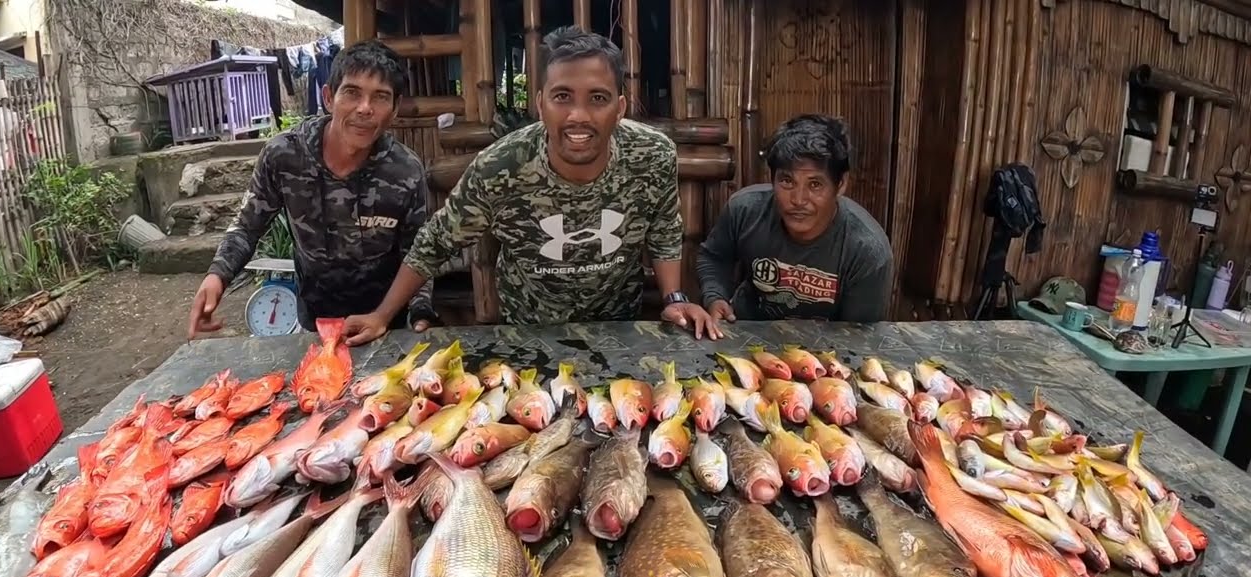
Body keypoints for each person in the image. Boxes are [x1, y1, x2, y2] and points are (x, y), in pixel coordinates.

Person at [340, 25, 721, 344]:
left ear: (620, 108)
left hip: (619, 328)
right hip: (527, 334)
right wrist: (381, 315)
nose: (578, 115)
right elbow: (435, 241)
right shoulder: (500, 167)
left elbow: (664, 230)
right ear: (540, 104)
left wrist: (673, 297)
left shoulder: (652, 155)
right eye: (562, 97)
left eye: (598, 98)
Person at [187, 39, 437, 341]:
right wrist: (217, 277)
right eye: (352, 92)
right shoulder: (284, 156)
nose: (365, 108)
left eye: (381, 97)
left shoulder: (405, 171)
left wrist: (419, 312)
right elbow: (247, 227)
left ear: (395, 109)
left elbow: (419, 251)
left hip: (385, 323)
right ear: (329, 97)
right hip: (315, 322)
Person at [697, 114, 894, 324]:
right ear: (772, 178)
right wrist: (715, 297)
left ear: (841, 184)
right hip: (748, 329)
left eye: (815, 184)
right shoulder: (745, 210)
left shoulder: (867, 251)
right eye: (787, 181)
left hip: (829, 342)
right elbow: (714, 257)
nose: (799, 200)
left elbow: (857, 336)